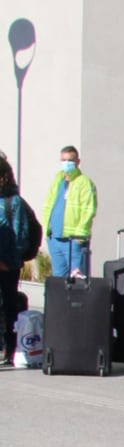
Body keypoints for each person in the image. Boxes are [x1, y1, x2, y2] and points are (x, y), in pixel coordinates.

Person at [0, 151, 40, 365]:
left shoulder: (13, 203)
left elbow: (20, 237)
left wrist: (7, 261)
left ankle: (10, 348)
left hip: (7, 265)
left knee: (8, 306)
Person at [41, 145, 97, 277]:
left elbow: (89, 210)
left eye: (70, 160)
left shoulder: (84, 183)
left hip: (73, 240)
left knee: (76, 279)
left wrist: (78, 238)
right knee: (59, 279)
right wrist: (47, 231)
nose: (66, 163)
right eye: (63, 160)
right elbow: (48, 205)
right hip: (55, 238)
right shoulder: (57, 180)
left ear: (78, 162)